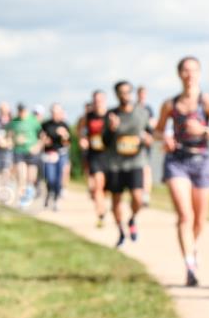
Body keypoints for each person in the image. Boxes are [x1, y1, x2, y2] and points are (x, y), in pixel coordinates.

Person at [155, 57, 209, 286]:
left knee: (199, 219)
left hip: (202, 161)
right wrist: (165, 137)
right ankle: (189, 265)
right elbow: (157, 131)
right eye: (185, 71)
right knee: (185, 215)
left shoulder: (207, 102)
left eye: (194, 70)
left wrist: (203, 129)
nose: (190, 75)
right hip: (177, 160)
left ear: (200, 73)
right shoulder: (170, 104)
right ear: (179, 74)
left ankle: (192, 247)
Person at [104, 81, 152, 247]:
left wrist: (147, 140)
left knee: (138, 198)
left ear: (131, 93)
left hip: (135, 162)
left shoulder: (142, 113)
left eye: (127, 92)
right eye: (121, 93)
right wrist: (111, 129)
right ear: (116, 95)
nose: (125, 95)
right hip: (115, 164)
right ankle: (121, 232)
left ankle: (132, 219)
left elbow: (151, 135)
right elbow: (104, 141)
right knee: (116, 201)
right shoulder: (111, 115)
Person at [77, 91, 109, 227]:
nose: (98, 103)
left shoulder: (111, 115)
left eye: (100, 100)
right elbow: (80, 130)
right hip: (94, 154)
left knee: (106, 187)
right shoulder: (88, 116)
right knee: (97, 185)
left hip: (109, 155)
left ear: (105, 101)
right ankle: (100, 212)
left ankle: (103, 203)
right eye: (95, 100)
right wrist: (82, 139)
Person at [8, 103, 41, 208]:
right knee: (21, 176)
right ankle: (22, 199)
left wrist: (37, 147)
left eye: (23, 111)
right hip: (19, 151)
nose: (21, 113)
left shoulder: (33, 121)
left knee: (30, 178)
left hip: (31, 151)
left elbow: (42, 136)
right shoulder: (14, 121)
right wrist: (14, 140)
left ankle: (30, 191)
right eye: (19, 111)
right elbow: (9, 135)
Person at [39, 103, 71, 211]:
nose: (55, 114)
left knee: (59, 178)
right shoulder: (45, 124)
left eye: (57, 112)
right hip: (49, 154)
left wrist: (64, 136)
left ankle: (56, 200)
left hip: (61, 154)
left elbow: (68, 143)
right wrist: (44, 141)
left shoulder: (65, 125)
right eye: (53, 112)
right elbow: (40, 137)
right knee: (50, 177)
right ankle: (49, 193)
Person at [137, 85, 156, 206]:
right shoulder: (134, 108)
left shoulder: (149, 109)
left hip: (146, 143)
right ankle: (138, 193)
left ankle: (146, 195)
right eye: (140, 93)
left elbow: (153, 125)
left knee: (147, 170)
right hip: (135, 143)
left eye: (144, 93)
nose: (142, 96)